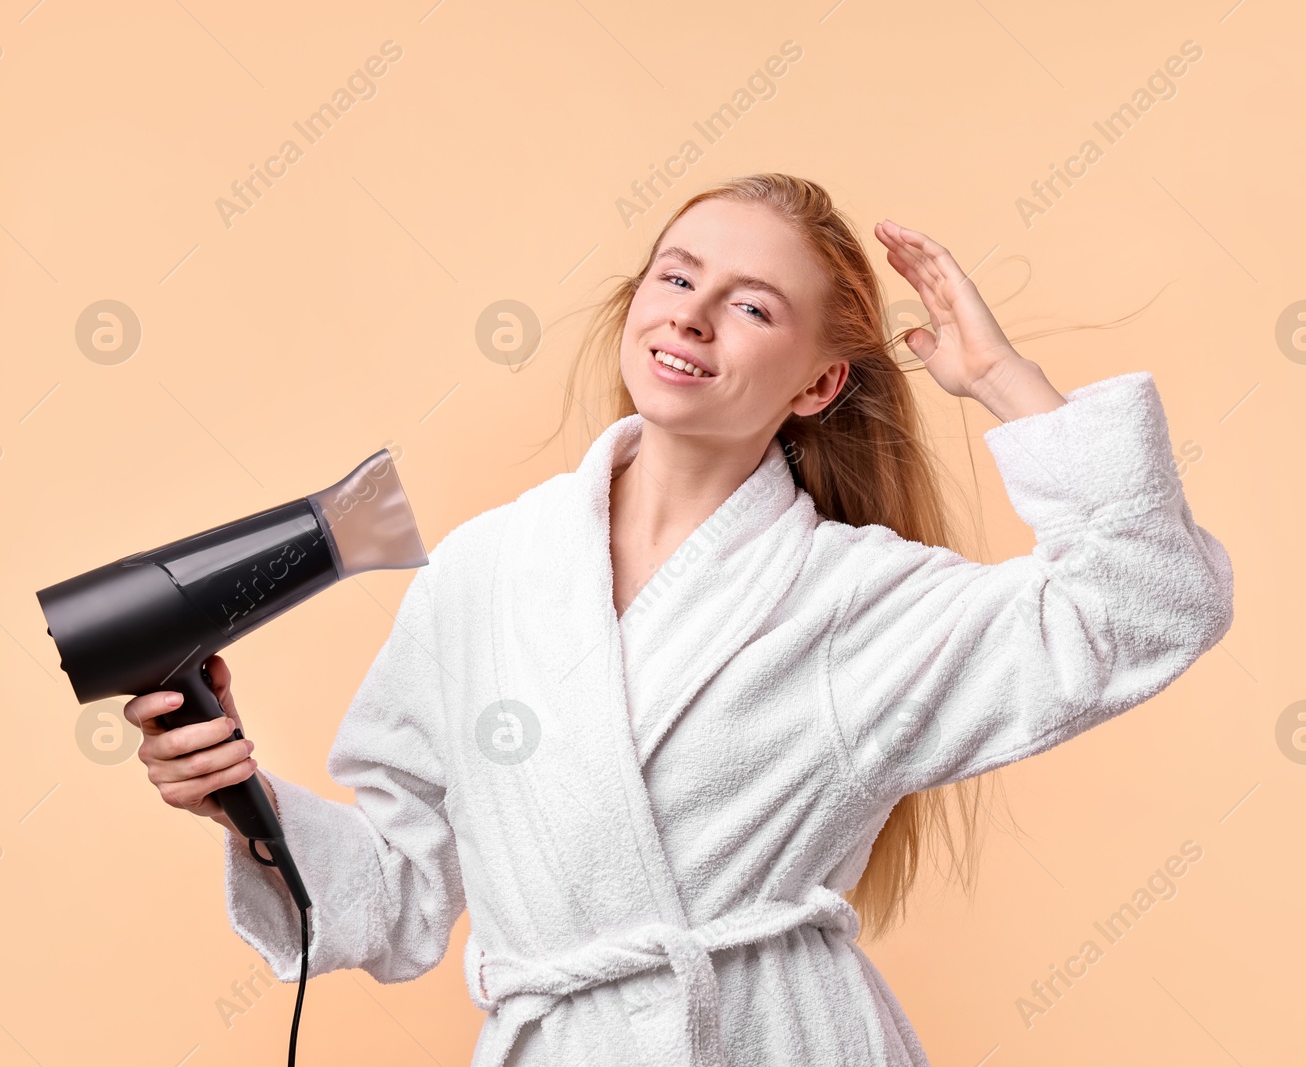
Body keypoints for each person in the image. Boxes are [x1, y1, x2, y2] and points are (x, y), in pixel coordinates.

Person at [125, 173, 1234, 1066]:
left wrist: (1002, 379)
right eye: (677, 274)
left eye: (751, 306)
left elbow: (1143, 604)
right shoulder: (486, 572)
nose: (690, 316)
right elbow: (398, 893)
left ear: (815, 384)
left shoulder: (853, 601)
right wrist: (242, 799)